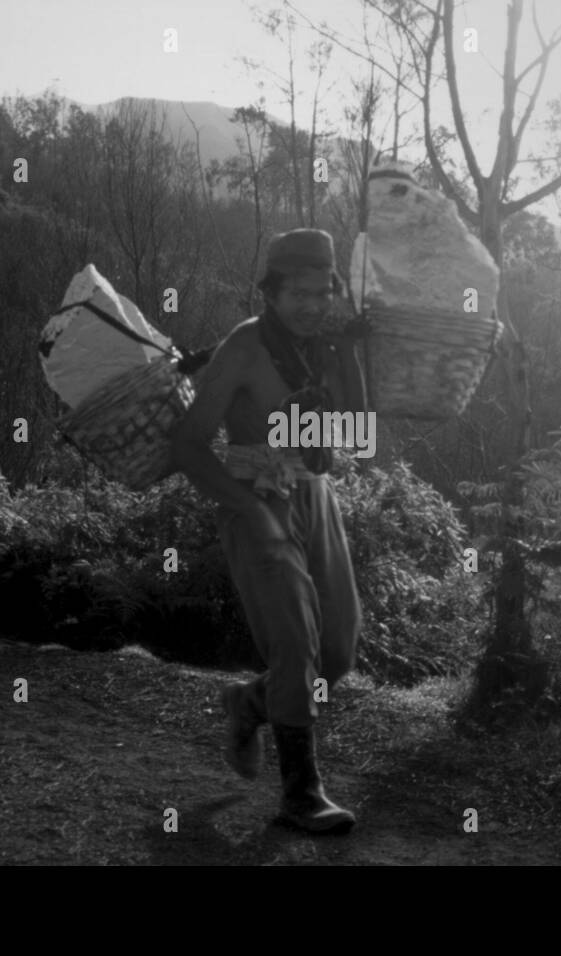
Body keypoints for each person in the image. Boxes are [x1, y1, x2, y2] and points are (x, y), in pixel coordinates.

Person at [170, 228, 367, 835]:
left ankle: (248, 704)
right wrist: (247, 509)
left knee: (338, 649)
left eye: (322, 293)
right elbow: (187, 443)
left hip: (313, 494)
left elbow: (358, 429)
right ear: (273, 292)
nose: (312, 305)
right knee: (295, 643)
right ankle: (300, 795)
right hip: (256, 498)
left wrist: (355, 350)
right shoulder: (246, 347)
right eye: (298, 294)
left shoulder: (328, 347)